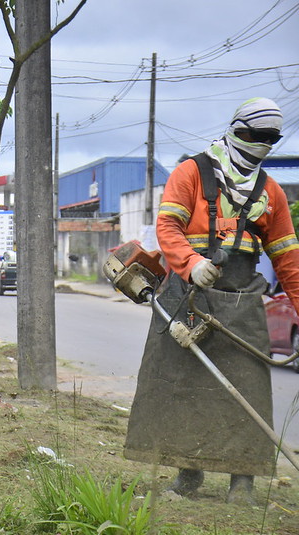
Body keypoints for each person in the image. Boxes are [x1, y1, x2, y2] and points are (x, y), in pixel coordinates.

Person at [124, 98, 299, 504]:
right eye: (257, 136)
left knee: (249, 387)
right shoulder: (191, 172)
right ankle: (188, 475)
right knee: (183, 386)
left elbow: (288, 259)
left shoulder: (269, 192)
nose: (263, 144)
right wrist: (190, 262)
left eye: (271, 139)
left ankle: (244, 482)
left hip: (243, 297)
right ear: (238, 130)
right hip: (188, 293)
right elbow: (167, 226)